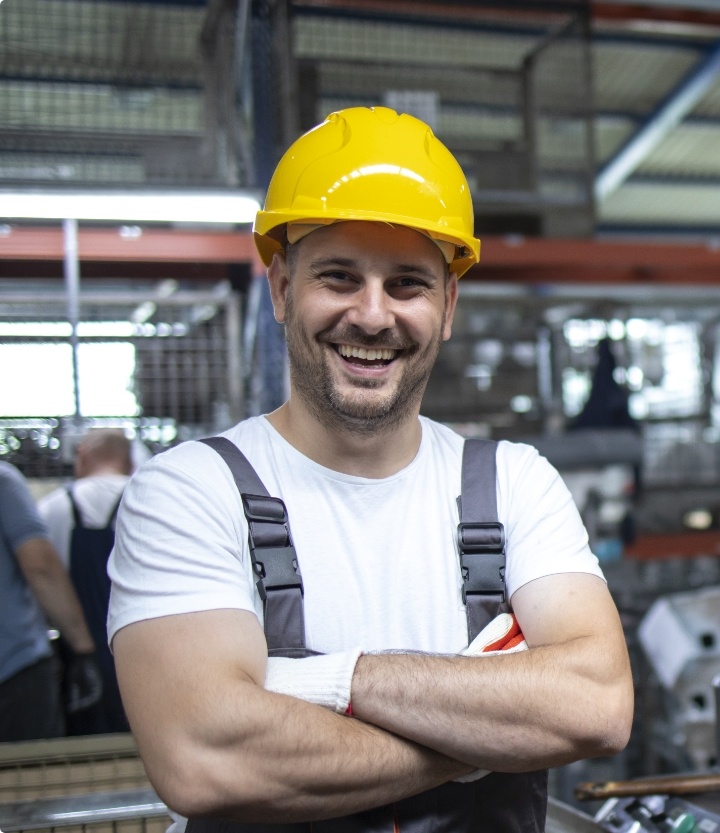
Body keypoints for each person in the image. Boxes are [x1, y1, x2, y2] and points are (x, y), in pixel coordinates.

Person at [108, 107, 633, 832]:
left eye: (408, 284)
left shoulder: (515, 483)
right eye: (339, 277)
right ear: (282, 288)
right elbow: (206, 756)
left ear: (448, 305)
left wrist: (326, 681)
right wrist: (490, 735)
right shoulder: (190, 491)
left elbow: (598, 705)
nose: (373, 315)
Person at [39, 428, 133, 734]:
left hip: (79, 658)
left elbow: (41, 580)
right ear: (129, 460)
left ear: (82, 455)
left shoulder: (51, 508)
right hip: (143, 648)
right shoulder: (148, 499)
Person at [0, 460, 102, 742]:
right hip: (13, 673)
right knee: (34, 766)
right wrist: (84, 650)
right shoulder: (3, 481)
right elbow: (41, 567)